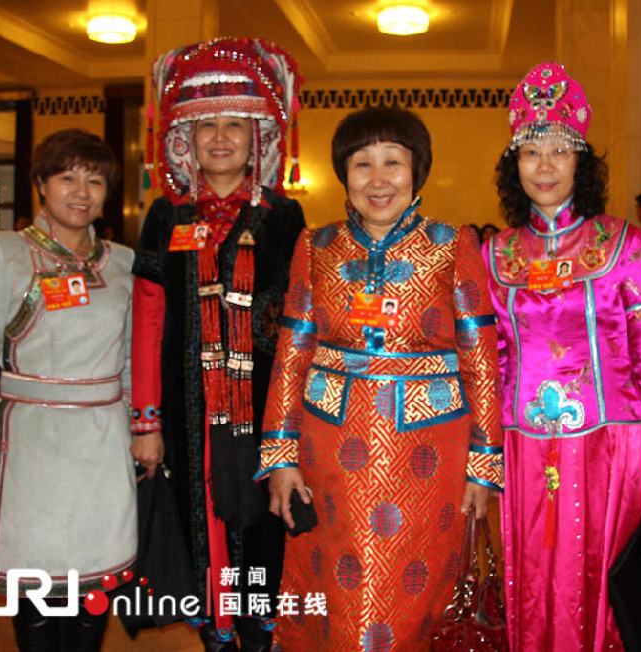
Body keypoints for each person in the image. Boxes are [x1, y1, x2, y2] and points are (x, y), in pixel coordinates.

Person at [261, 106, 503, 650]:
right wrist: (281, 456)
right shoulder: (315, 247)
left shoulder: (452, 244)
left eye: (393, 162)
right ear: (343, 174)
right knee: (342, 598)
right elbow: (293, 354)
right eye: (361, 164)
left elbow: (481, 361)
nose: (378, 179)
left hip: (429, 457)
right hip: (331, 454)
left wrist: (483, 467)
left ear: (418, 170)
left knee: (415, 603)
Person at [483, 63, 641, 652]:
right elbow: (489, 361)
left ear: (581, 163)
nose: (544, 165)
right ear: (513, 166)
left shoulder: (621, 242)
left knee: (602, 584)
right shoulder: (496, 253)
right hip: (521, 446)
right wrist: (482, 454)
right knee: (532, 580)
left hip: (610, 445)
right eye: (530, 150)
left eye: (560, 150)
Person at [130, 38, 304, 652]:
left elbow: (298, 323)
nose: (221, 138)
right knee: (195, 518)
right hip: (185, 411)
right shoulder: (164, 217)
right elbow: (148, 321)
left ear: (257, 135)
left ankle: (259, 628)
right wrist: (145, 421)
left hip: (264, 409)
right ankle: (213, 631)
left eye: (235, 124)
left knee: (260, 522)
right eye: (207, 126)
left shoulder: (284, 217)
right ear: (185, 138)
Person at [0, 129, 136, 652]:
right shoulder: (6, 253)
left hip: (104, 438)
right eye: (67, 177)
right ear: (40, 185)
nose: (82, 191)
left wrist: (140, 429)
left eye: (95, 180)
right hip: (32, 438)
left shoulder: (123, 262)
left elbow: (128, 360)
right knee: (37, 586)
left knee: (92, 589)